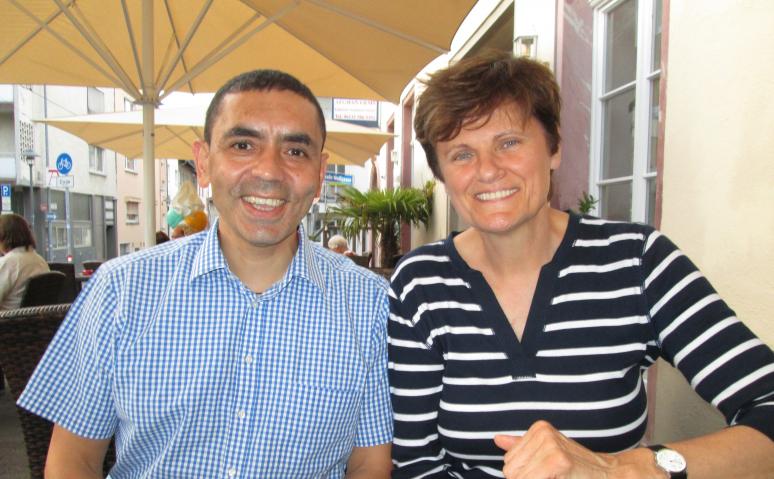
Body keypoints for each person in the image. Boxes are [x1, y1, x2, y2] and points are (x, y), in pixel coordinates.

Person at [388, 52, 774, 478]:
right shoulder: (420, 283)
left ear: (554, 149)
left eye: (509, 143)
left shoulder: (638, 262)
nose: (488, 171)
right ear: (442, 174)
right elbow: (416, 463)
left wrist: (625, 469)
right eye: (461, 154)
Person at [19, 69, 393, 478]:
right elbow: (74, 460)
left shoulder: (369, 303)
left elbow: (369, 465)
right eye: (243, 145)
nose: (269, 171)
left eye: (295, 151)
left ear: (320, 175)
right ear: (203, 163)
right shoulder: (120, 290)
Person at [0, 213, 49, 310]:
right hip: (35, 318)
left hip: (8, 318)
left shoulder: (8, 263)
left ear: (2, 237)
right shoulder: (40, 260)